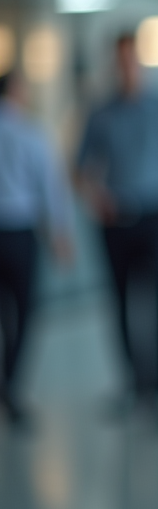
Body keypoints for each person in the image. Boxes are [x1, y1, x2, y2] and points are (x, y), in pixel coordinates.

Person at [75, 33, 158, 420]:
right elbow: (79, 169)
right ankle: (132, 384)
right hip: (116, 220)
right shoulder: (101, 112)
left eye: (132, 60)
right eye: (120, 61)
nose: (127, 68)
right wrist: (97, 198)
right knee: (120, 303)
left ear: (142, 62)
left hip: (156, 215)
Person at [0, 71, 74, 426]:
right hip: (19, 234)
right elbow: (50, 187)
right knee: (24, 314)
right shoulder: (31, 132)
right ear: (16, 91)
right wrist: (60, 235)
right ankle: (10, 386)